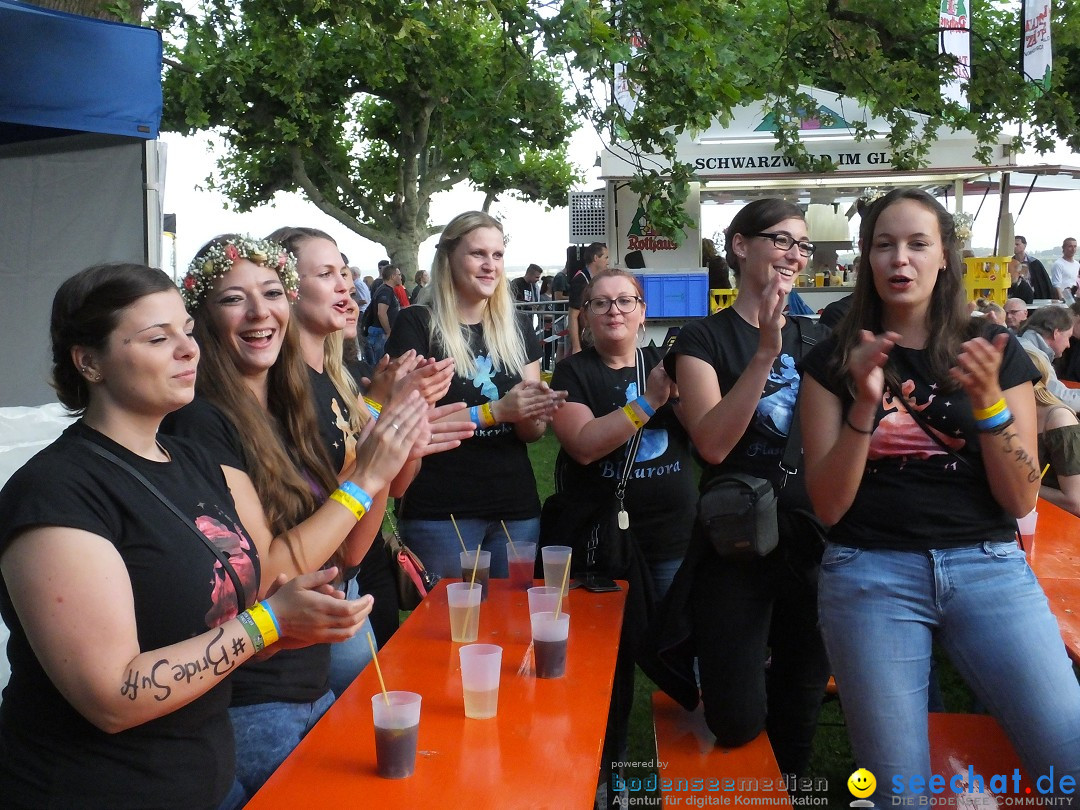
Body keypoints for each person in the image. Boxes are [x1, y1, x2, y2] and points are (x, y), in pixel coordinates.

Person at [0, 263, 372, 809]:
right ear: (89, 361)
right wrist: (267, 623)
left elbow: (230, 608)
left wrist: (282, 630)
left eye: (187, 332)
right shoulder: (57, 493)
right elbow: (113, 696)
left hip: (206, 778)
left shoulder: (196, 462)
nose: (188, 350)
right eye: (158, 337)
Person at [800, 188, 1080, 807]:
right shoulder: (831, 359)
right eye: (884, 244)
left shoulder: (995, 351)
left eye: (918, 243)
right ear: (866, 260)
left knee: (1070, 759)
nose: (901, 258)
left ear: (945, 257)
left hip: (988, 567)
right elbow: (828, 506)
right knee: (900, 795)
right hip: (869, 574)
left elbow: (1019, 498)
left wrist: (988, 403)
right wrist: (866, 406)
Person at [163, 235, 438, 795]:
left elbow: (346, 554)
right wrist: (365, 474)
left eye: (271, 292)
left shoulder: (296, 397)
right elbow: (265, 575)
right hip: (254, 698)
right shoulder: (201, 423)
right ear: (203, 317)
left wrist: (383, 453)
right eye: (233, 299)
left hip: (311, 681)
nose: (260, 312)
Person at [645, 199, 830, 779]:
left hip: (811, 539)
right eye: (781, 240)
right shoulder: (702, 338)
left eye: (802, 244)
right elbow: (713, 445)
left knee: (800, 705)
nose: (794, 255)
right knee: (735, 720)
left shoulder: (820, 336)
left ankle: (791, 782)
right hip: (736, 543)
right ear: (740, 245)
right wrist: (764, 357)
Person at [551, 269, 695, 806]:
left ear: (642, 310)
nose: (614, 311)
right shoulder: (571, 373)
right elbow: (585, 444)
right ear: (585, 317)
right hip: (600, 544)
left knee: (682, 653)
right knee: (605, 672)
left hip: (674, 537)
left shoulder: (673, 364)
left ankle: (690, 772)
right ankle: (609, 777)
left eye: (625, 301)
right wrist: (650, 401)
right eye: (600, 303)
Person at [386, 211, 566, 578]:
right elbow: (409, 427)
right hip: (440, 509)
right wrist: (495, 411)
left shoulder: (515, 325)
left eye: (497, 256)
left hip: (515, 506)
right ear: (449, 257)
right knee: (449, 630)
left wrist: (535, 411)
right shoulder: (417, 324)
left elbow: (529, 434)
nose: (490, 266)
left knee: (513, 626)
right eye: (478, 255)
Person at [1027, 349, 1080, 516]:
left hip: (1061, 527)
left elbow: (1075, 502)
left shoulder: (1059, 420)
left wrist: (1019, 486)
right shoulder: (1014, 415)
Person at [1017, 305, 1080, 412]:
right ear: (1056, 333)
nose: (1068, 344)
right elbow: (1059, 398)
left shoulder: (1021, 344)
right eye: (1068, 337)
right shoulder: (1033, 355)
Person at [569, 242, 609, 354]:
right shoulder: (580, 281)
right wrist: (576, 347)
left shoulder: (598, 279)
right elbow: (573, 315)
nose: (608, 261)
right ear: (596, 258)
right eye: (606, 257)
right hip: (586, 338)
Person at [367, 263, 404, 361]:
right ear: (393, 276)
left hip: (380, 332)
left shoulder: (387, 290)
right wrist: (388, 331)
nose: (401, 277)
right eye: (399, 275)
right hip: (380, 333)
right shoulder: (385, 291)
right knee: (380, 363)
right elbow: (381, 313)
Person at [1015, 235, 1055, 300]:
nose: (1014, 246)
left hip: (1034, 296)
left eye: (1017, 244)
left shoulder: (1034, 263)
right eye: (1013, 244)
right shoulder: (1009, 263)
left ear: (1025, 245)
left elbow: (1043, 282)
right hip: (1016, 296)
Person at [1050, 237, 1079, 301]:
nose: (1073, 249)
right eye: (1070, 246)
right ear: (1064, 248)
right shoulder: (1058, 264)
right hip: (1063, 298)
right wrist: (1062, 299)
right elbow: (1056, 284)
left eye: (1075, 246)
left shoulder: (1077, 264)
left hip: (1074, 297)